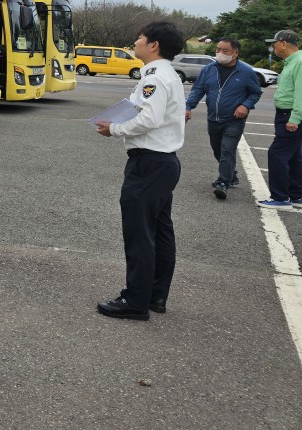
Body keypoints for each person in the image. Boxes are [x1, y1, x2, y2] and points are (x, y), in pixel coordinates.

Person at [94, 21, 186, 320]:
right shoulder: (166, 74)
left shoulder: (155, 77)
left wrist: (115, 129)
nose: (135, 42)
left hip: (149, 163)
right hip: (163, 162)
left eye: (140, 38)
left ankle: (135, 301)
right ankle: (154, 295)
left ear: (154, 45)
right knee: (159, 231)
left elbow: (148, 118)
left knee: (139, 234)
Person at [185, 37, 262, 199]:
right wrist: (188, 106)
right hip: (213, 118)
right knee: (217, 149)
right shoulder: (209, 69)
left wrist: (245, 105)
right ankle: (231, 175)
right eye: (218, 50)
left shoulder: (246, 71)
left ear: (235, 53)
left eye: (225, 51)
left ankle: (223, 182)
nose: (220, 53)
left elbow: (255, 92)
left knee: (227, 149)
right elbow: (198, 89)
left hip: (234, 119)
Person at [256, 30, 302, 210]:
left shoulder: (298, 61)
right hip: (288, 113)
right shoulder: (292, 61)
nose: (272, 46)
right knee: (294, 155)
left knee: (277, 153)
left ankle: (281, 197)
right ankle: (296, 195)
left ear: (283, 43)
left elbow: (300, 93)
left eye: (274, 43)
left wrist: (295, 118)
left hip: (290, 114)